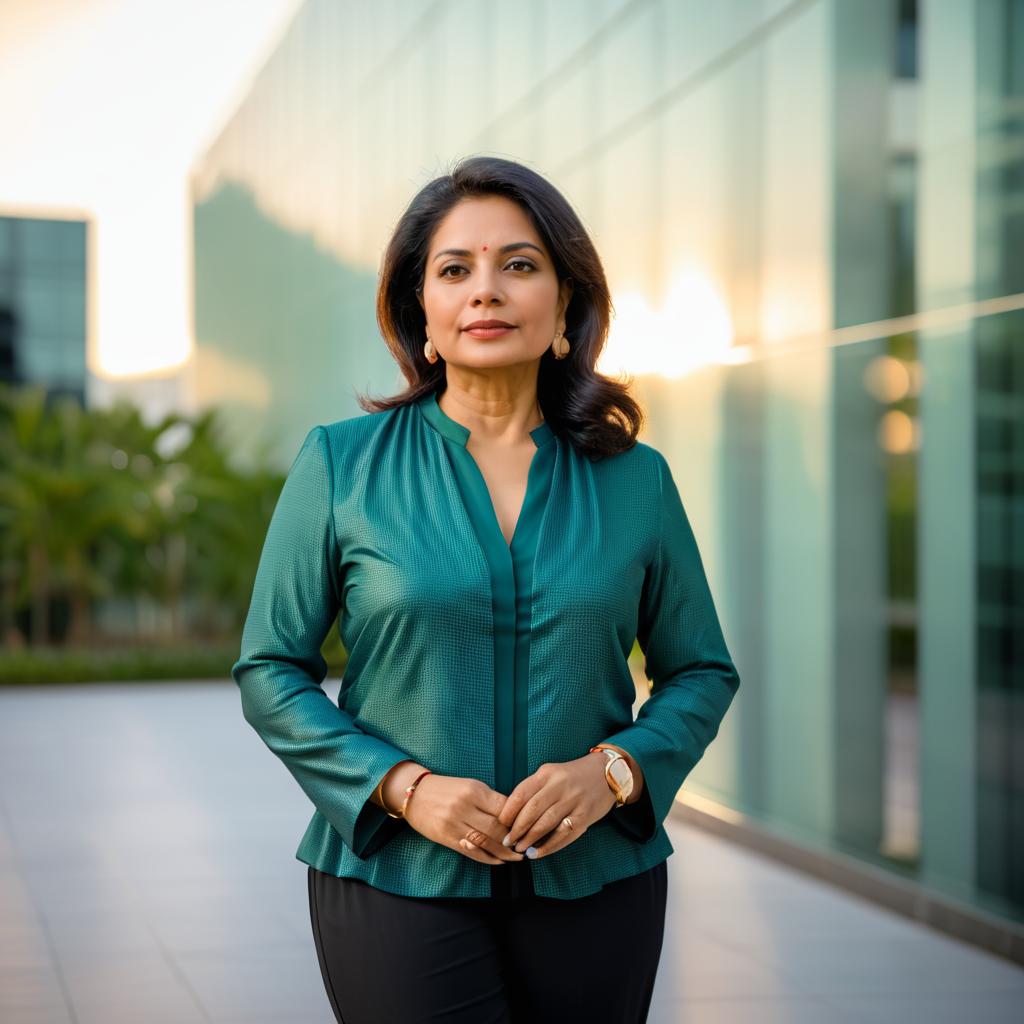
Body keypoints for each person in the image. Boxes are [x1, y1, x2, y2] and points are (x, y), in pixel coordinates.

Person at [231, 155, 741, 1023]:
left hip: (599, 886)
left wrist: (615, 771)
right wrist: (400, 785)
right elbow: (270, 669)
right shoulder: (342, 466)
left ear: (565, 305)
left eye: (519, 264)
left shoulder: (636, 480)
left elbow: (701, 671)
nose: (487, 291)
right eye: (455, 269)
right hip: (398, 880)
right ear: (421, 312)